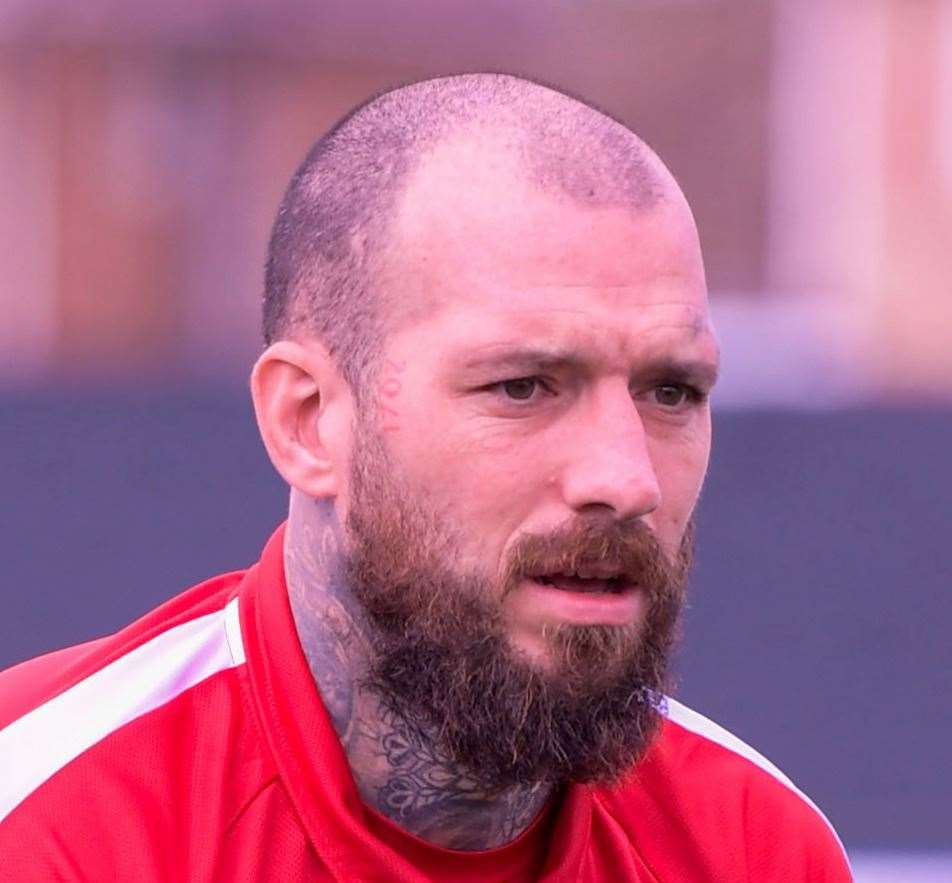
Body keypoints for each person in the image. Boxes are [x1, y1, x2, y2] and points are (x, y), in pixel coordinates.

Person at [0, 73, 852, 881]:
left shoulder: (754, 847)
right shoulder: (47, 822)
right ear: (308, 420)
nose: (626, 479)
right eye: (522, 386)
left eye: (672, 391)